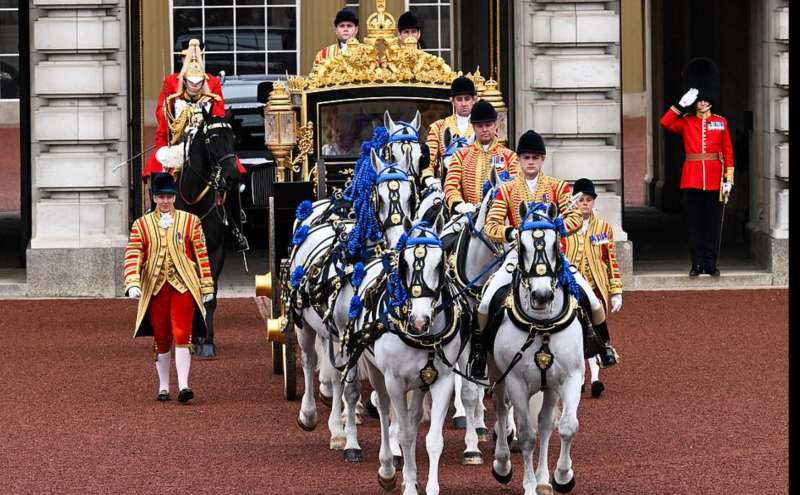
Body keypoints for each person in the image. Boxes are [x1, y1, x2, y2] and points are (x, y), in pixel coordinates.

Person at [469, 130, 589, 378]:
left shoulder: (558, 187)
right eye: (526, 157)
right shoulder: (507, 189)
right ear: (519, 160)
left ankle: (599, 344)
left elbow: (575, 216)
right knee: (484, 302)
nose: (530, 162)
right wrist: (511, 233)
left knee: (591, 297)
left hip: (552, 257)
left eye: (535, 157)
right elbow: (490, 225)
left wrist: (560, 229)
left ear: (542, 160)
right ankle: (480, 353)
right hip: (518, 257)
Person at [145, 38, 249, 252]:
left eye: (195, 55)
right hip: (178, 140)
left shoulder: (211, 81)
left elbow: (219, 110)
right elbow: (162, 112)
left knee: (232, 173)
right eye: (187, 55)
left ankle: (236, 226)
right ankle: (153, 215)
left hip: (207, 140)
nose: (191, 58)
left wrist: (208, 124)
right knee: (158, 168)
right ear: (181, 57)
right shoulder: (171, 81)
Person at [123, 173, 215, 403]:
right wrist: (132, 281)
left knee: (183, 333)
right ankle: (163, 387)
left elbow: (201, 255)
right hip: (155, 288)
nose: (165, 200)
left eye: (169, 196)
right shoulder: (141, 225)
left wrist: (206, 285)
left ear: (174, 198)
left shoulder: (191, 221)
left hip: (182, 286)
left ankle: (184, 385)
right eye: (161, 196)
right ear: (154, 198)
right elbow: (134, 253)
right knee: (162, 337)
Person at [660, 57, 734, 277]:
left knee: (712, 225)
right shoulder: (687, 121)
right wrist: (679, 105)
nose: (701, 103)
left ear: (711, 100)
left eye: (704, 99)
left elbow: (728, 153)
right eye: (698, 100)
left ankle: (710, 263)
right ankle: (697, 263)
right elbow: (665, 122)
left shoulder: (721, 122)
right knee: (694, 225)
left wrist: (728, 179)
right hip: (691, 178)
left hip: (714, 179)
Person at [562, 178, 623, 395]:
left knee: (595, 330)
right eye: (581, 200)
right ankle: (578, 377)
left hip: (596, 286)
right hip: (571, 286)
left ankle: (597, 374)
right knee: (574, 333)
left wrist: (616, 291)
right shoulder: (564, 226)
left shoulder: (604, 228)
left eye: (588, 200)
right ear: (574, 203)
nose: (584, 204)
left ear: (593, 202)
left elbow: (611, 261)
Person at [443, 100, 519, 216]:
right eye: (480, 126)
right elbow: (451, 185)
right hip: (468, 216)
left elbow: (516, 186)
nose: (484, 130)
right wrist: (459, 204)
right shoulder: (461, 155)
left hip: (500, 217)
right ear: (473, 127)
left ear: (495, 125)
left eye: (488, 125)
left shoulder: (509, 156)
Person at [420, 76, 476, 189]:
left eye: (467, 99)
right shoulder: (439, 126)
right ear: (452, 101)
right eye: (459, 99)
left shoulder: (483, 126)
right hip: (444, 184)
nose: (464, 103)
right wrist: (428, 177)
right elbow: (429, 159)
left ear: (474, 100)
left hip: (475, 183)